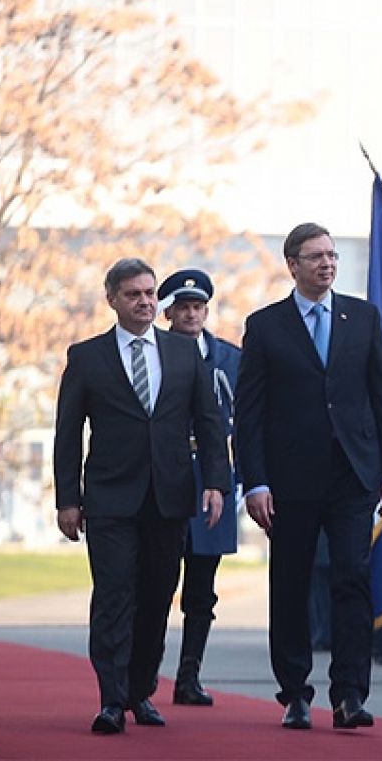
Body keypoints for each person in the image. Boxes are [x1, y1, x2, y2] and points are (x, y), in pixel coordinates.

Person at [235, 222, 382, 730]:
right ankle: (295, 692)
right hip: (290, 481)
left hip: (352, 474)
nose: (327, 263)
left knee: (352, 579)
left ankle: (350, 694)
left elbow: (381, 397)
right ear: (292, 265)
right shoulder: (265, 326)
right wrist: (255, 482)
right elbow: (250, 414)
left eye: (332, 255)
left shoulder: (361, 317)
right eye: (316, 256)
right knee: (291, 585)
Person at [53, 258, 228, 734]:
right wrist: (67, 499)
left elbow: (209, 424)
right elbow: (68, 433)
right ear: (112, 299)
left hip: (168, 496)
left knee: (156, 596)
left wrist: (216, 482)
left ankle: (140, 690)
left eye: (150, 293)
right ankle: (111, 699)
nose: (146, 301)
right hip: (109, 498)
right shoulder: (87, 357)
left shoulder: (184, 353)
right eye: (134, 294)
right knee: (114, 595)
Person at [157, 268, 242, 707]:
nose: (191, 314)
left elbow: (245, 423)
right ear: (167, 311)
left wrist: (238, 481)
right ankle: (144, 674)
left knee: (202, 587)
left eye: (198, 306)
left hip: (212, 477)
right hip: (168, 472)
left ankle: (189, 676)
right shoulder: (155, 352)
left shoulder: (229, 358)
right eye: (183, 307)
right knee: (156, 579)